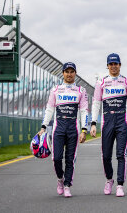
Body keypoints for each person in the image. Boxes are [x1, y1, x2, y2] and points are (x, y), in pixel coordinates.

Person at [90, 53, 127, 197]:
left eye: (116, 64)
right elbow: (96, 104)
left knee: (121, 154)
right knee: (106, 156)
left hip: (122, 121)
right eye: (111, 64)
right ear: (107, 66)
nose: (113, 66)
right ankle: (109, 180)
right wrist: (93, 123)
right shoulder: (101, 82)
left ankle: (120, 184)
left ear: (120, 65)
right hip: (107, 121)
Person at [38, 62, 89, 198]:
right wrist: (43, 127)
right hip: (58, 129)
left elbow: (84, 111)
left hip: (73, 129)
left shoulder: (81, 91)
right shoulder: (55, 90)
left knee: (70, 160)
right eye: (67, 71)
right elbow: (49, 109)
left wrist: (84, 130)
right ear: (63, 73)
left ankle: (67, 185)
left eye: (72, 71)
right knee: (56, 158)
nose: (69, 74)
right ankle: (60, 179)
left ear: (75, 74)